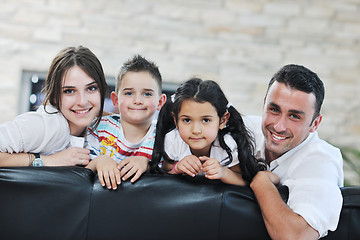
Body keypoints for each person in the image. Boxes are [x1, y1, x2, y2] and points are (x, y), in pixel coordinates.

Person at [246, 64, 344, 239]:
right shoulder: (246, 131)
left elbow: (296, 236)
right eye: (274, 109)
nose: (278, 126)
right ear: (264, 104)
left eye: (294, 116)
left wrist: (261, 181)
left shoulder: (321, 160)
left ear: (315, 123)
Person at [0, 46, 107, 167]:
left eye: (91, 88)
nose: (82, 101)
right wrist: (46, 160)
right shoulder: (47, 125)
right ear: (55, 96)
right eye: (69, 91)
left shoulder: (103, 124)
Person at [150, 78, 265, 185]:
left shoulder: (228, 145)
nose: (195, 130)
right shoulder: (173, 140)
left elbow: (245, 182)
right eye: (187, 120)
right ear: (176, 120)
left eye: (205, 120)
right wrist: (177, 168)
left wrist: (223, 172)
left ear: (222, 121)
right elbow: (164, 173)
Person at [86, 55, 166, 190]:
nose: (137, 100)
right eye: (129, 93)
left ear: (160, 102)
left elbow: (170, 173)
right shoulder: (100, 127)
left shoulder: (163, 138)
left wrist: (147, 164)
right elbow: (78, 175)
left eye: (147, 94)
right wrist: (99, 161)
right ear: (115, 100)